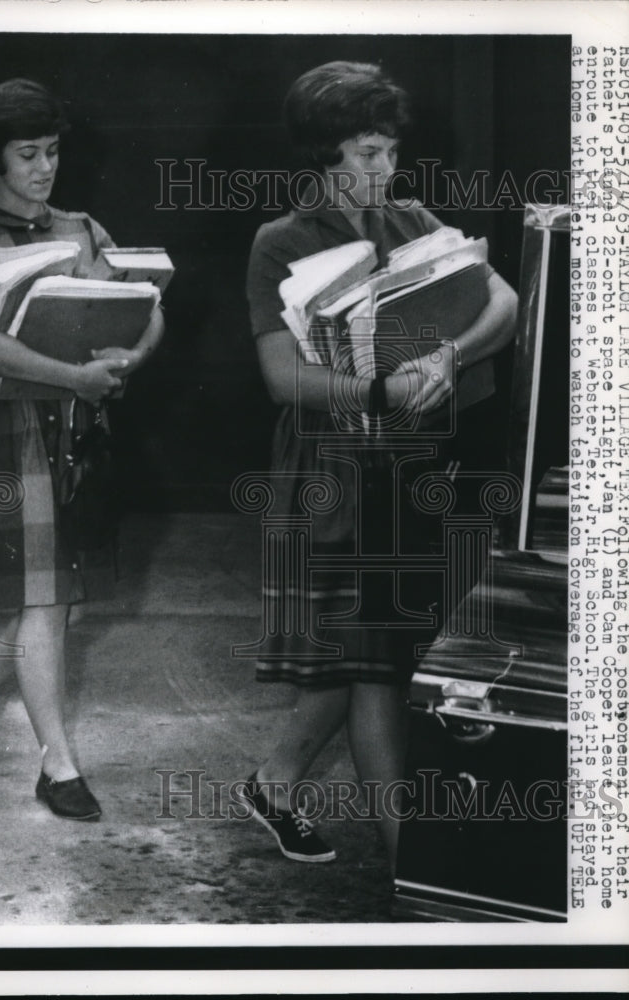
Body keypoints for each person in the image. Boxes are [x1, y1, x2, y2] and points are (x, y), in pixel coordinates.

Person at [239, 61, 517, 871]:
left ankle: (274, 784)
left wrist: (450, 355)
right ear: (322, 153)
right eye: (367, 153)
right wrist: (381, 388)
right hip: (332, 473)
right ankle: (412, 870)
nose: (385, 169)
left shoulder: (411, 221)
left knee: (370, 654)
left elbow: (503, 302)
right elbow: (282, 378)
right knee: (376, 672)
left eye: (391, 151)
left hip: (406, 465)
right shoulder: (281, 242)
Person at [0, 78, 164, 820]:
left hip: (78, 427)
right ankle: (57, 767)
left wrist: (130, 358)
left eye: (52, 151)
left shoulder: (84, 228)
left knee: (57, 600)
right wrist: (74, 377)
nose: (44, 167)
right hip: (11, 425)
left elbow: (146, 306)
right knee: (46, 597)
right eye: (27, 154)